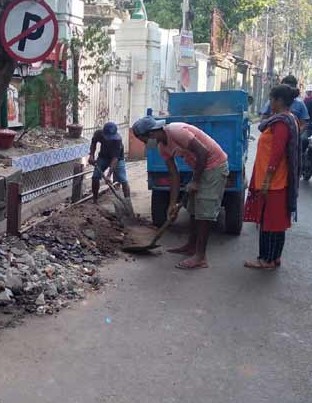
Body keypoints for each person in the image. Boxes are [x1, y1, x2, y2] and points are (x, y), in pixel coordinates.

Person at [131, 115, 229, 270]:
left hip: (214, 166)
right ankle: (191, 246)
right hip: (200, 168)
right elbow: (174, 175)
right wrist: (172, 204)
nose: (145, 144)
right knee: (193, 209)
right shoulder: (163, 147)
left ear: (151, 133)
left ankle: (200, 257)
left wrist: (195, 181)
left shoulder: (176, 131)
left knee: (204, 212)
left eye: (143, 140)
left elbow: (203, 153)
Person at [244, 84, 301, 269]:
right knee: (276, 223)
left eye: (271, 99)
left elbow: (276, 153)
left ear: (279, 101)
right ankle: (274, 258)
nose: (269, 102)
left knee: (269, 223)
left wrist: (267, 180)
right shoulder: (287, 119)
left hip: (274, 182)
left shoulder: (281, 122)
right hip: (276, 181)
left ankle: (266, 259)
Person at [88, 122, 130, 203]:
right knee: (95, 177)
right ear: (103, 134)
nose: (110, 139)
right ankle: (95, 200)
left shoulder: (118, 140)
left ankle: (128, 201)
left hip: (118, 159)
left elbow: (115, 159)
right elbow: (93, 144)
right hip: (103, 156)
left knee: (123, 179)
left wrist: (108, 175)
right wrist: (91, 155)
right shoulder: (98, 134)